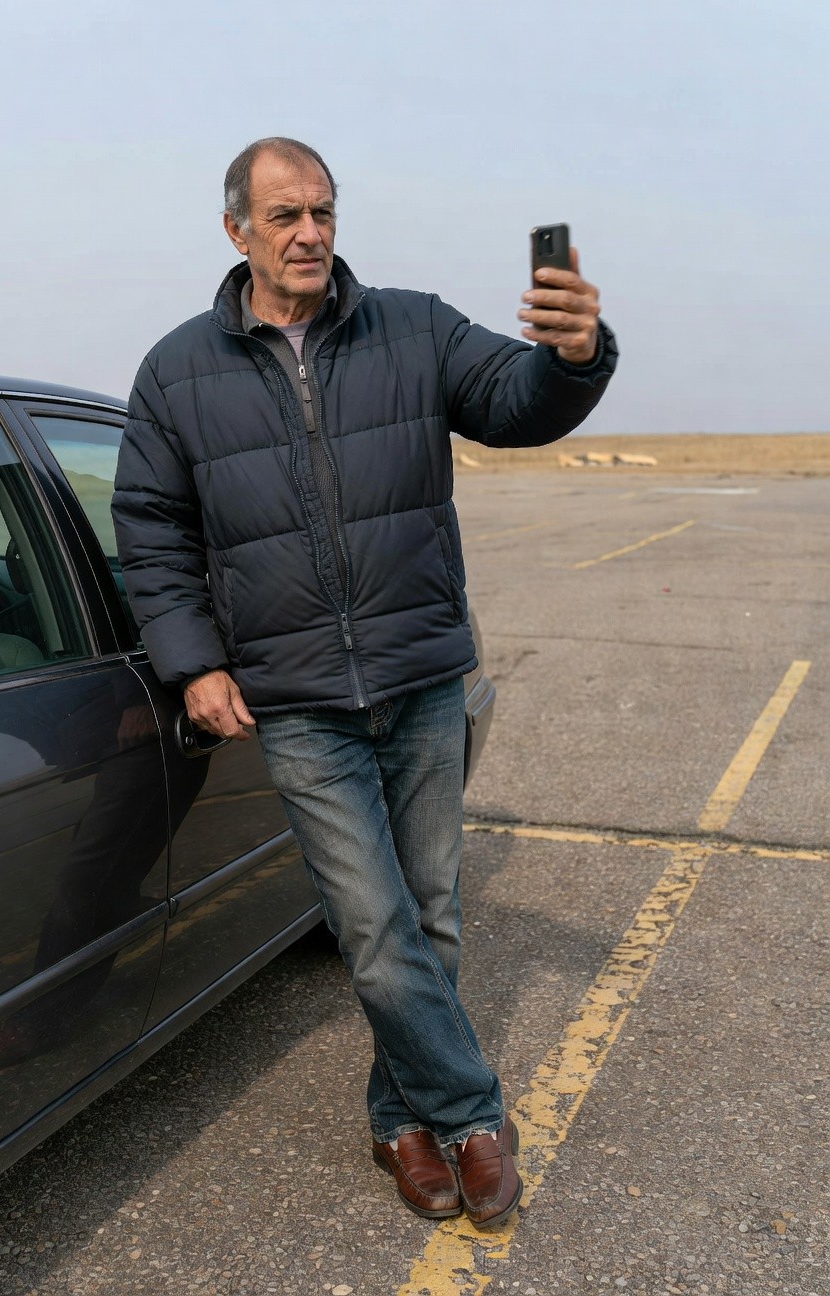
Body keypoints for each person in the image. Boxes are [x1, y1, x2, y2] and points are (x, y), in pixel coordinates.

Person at [112, 136, 617, 1229]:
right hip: (298, 704)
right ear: (236, 229)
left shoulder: (414, 327)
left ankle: (399, 1123)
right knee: (376, 929)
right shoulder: (175, 371)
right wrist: (194, 661)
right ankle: (471, 1115)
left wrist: (574, 357)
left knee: (430, 917)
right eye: (285, 215)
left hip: (421, 679)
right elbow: (150, 530)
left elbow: (516, 402)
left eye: (324, 212)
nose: (310, 234)